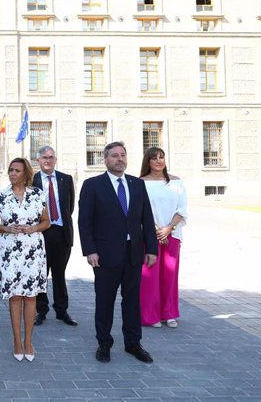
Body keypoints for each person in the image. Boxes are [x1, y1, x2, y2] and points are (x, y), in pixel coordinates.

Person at [78, 141, 157, 364]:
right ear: (105, 159)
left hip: (134, 253)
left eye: (123, 155)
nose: (119, 159)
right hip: (105, 255)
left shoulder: (137, 184)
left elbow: (146, 218)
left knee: (132, 301)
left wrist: (151, 248)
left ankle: (133, 343)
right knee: (105, 301)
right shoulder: (93, 185)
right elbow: (85, 222)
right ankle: (104, 343)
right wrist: (90, 250)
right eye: (114, 155)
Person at [0, 158, 49, 362]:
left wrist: (33, 228)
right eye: (10, 170)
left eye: (17, 170)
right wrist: (7, 228)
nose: (12, 173)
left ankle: (29, 341)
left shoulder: (38, 195)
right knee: (15, 296)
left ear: (26, 174)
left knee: (31, 296)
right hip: (9, 251)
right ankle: (16, 340)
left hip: (33, 249)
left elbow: (46, 222)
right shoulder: (0, 196)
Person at [139, 147, 188, 328]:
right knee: (149, 277)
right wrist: (156, 231)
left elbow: (182, 209)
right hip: (149, 235)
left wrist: (168, 228)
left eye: (162, 157)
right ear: (148, 162)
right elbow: (140, 211)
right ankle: (150, 315)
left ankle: (168, 313)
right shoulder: (140, 183)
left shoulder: (177, 183)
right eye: (154, 158)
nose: (159, 161)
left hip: (172, 234)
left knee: (170, 274)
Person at [32, 146, 77, 327]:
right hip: (40, 233)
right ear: (39, 161)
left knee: (59, 273)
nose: (48, 161)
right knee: (41, 274)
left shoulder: (66, 179)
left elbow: (70, 207)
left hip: (61, 233)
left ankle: (62, 310)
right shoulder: (32, 180)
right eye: (44, 157)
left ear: (55, 159)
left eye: (51, 157)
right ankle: (41, 311)